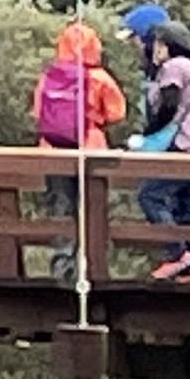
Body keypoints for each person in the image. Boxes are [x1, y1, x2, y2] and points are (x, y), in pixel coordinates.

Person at [124, 4, 190, 281]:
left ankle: (177, 254)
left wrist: (147, 135)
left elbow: (169, 106)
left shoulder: (174, 67)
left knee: (149, 195)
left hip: (182, 145)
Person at [31, 18, 127, 275]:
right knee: (93, 205)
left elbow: (38, 113)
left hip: (54, 149)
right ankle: (94, 266)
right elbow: (117, 114)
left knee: (61, 205)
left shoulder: (50, 77)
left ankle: (62, 265)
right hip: (90, 145)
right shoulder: (100, 78)